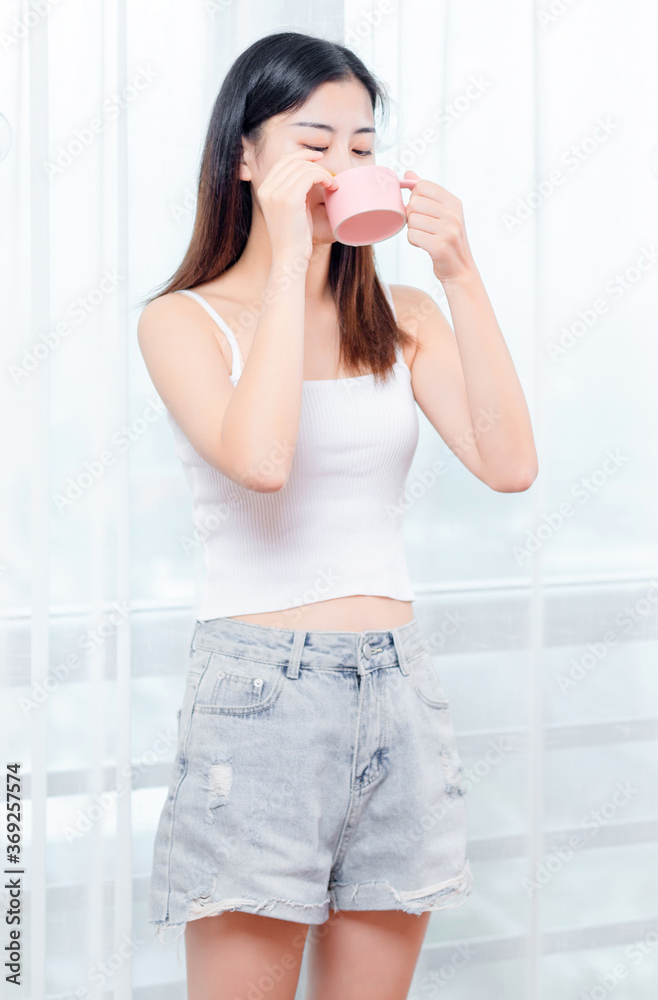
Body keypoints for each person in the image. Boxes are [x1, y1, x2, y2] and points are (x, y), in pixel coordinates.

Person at [137, 29, 538, 1000]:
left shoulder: (401, 320)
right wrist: (288, 260)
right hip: (261, 702)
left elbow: (510, 464)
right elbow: (262, 461)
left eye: (363, 146)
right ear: (243, 156)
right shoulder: (181, 322)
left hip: (399, 691)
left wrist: (459, 273)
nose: (344, 165)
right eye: (314, 142)